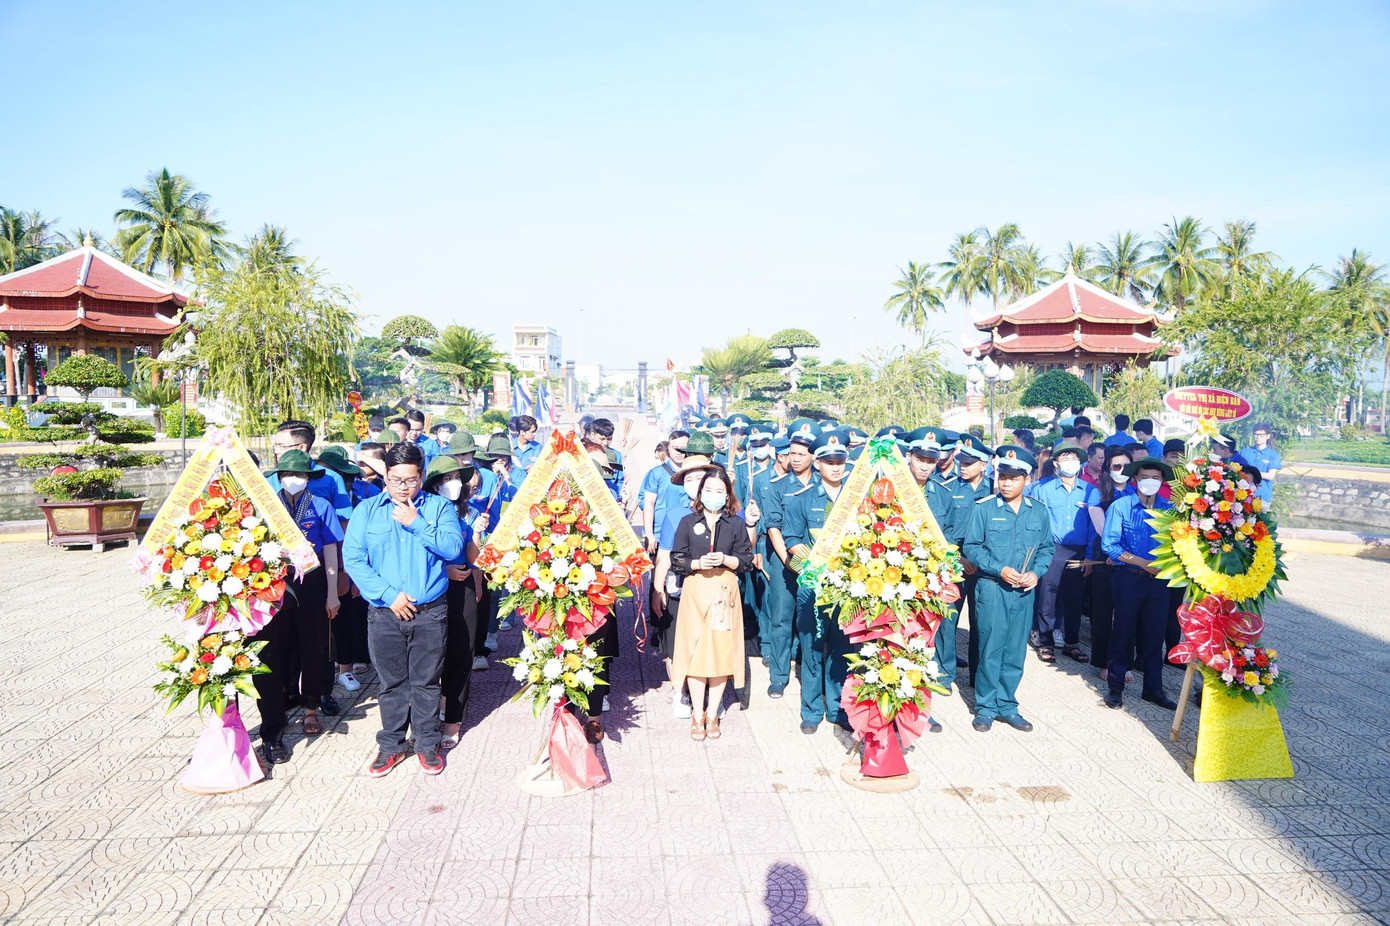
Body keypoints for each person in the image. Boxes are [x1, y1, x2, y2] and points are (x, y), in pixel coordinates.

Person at [343, 442, 465, 777]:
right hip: (385, 613)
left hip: (430, 612)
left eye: (410, 480)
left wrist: (416, 523)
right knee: (391, 683)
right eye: (396, 480)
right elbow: (354, 559)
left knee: (426, 682)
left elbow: (454, 549)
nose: (403, 487)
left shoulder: (438, 508)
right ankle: (391, 746)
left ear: (422, 477)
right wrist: (388, 595)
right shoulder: (367, 510)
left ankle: (427, 744)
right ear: (386, 477)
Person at [253, 451, 343, 763]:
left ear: (309, 478)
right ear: (278, 478)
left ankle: (310, 707)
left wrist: (333, 593)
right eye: (288, 474)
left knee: (313, 647)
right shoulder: (265, 508)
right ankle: (272, 730)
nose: (294, 479)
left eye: (301, 475)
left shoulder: (321, 506)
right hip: (272, 584)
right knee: (271, 653)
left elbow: (331, 550)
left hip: (313, 583)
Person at [963, 445, 1053, 733]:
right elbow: (972, 547)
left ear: (1027, 480)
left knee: (1015, 649)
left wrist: (1036, 573)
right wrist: (998, 568)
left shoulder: (1038, 511)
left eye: (1014, 478)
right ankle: (986, 707)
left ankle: (1007, 705)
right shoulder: (984, 508)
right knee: (991, 647)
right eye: (1002, 476)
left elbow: (1047, 548)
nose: (1006, 482)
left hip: (1023, 592)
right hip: (992, 589)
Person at [670, 467, 757, 741]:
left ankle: (713, 712)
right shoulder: (687, 521)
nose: (713, 495)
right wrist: (696, 563)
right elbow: (677, 558)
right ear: (700, 493)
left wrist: (725, 559)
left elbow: (746, 560)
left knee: (720, 654)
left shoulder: (736, 524)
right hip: (695, 592)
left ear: (728, 494)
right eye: (708, 490)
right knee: (695, 653)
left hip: (723, 592)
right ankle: (697, 713)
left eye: (719, 491)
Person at [783, 429, 853, 734]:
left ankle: (838, 708)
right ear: (817, 462)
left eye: (840, 460)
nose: (835, 466)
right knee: (811, 648)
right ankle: (811, 709)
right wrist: (814, 561)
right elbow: (792, 539)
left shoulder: (857, 500)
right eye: (828, 460)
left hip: (849, 588)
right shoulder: (803, 498)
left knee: (843, 648)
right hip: (813, 586)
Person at [1100, 457, 1178, 711]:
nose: (1150, 482)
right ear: (1135, 480)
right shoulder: (1121, 506)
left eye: (1155, 478)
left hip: (1160, 582)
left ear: (1162, 482)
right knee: (1123, 632)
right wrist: (1141, 562)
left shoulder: (1169, 510)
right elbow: (1109, 545)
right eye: (1145, 477)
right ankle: (1116, 686)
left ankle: (1153, 688)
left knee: (1155, 636)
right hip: (1129, 579)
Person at [651, 435, 721, 718]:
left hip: (714, 590)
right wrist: (658, 590)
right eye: (689, 480)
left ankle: (706, 696)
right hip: (678, 588)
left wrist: (751, 522)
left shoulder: (727, 511)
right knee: (675, 641)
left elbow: (744, 547)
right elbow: (664, 555)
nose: (696, 485)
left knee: (709, 642)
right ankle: (680, 691)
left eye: (701, 478)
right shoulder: (673, 513)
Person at [424, 456, 480, 750]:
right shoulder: (421, 513)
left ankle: (453, 720)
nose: (454, 484)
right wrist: (442, 571)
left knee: (461, 654)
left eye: (458, 477)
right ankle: (429, 713)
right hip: (431, 588)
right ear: (434, 484)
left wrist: (479, 530)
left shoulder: (467, 514)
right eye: (447, 479)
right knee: (431, 657)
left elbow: (472, 558)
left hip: (462, 589)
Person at [763, 421, 820, 700]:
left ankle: (811, 673)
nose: (795, 458)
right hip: (785, 560)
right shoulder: (777, 486)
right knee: (781, 618)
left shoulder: (824, 484)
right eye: (792, 453)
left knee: (813, 619)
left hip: (818, 563)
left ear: (813, 456)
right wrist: (786, 559)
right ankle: (778, 676)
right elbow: (773, 525)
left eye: (801, 453)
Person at [1026, 442, 1098, 664]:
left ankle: (1071, 643)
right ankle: (1045, 641)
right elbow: (1037, 523)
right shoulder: (1042, 489)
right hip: (1052, 549)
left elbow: (1094, 527)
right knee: (1048, 595)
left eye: (1074, 458)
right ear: (1056, 463)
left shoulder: (1089, 490)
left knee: (1075, 599)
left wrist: (1089, 556)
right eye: (1065, 458)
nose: (1070, 463)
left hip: (1079, 552)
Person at [316, 446, 380, 693]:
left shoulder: (367, 494)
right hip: (324, 564)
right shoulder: (315, 497)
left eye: (344, 475)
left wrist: (349, 573)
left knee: (350, 614)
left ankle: (350, 663)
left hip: (353, 564)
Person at [1086, 446, 1135, 681]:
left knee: (1127, 614)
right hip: (1105, 558)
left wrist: (1129, 555)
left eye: (1126, 466)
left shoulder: (1136, 493)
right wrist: (1114, 552)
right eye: (1117, 466)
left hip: (1131, 561)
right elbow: (1101, 528)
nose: (1122, 470)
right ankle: (1103, 662)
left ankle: (1124, 662)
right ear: (1108, 468)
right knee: (1104, 613)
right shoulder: (1098, 493)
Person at [643, 430, 688, 554]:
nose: (679, 452)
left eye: (683, 448)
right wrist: (649, 534)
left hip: (688, 535)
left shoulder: (695, 472)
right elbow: (649, 504)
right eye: (675, 448)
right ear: (668, 448)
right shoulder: (656, 473)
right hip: (660, 534)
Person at [1241, 422, 1281, 506]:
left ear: (1268, 436)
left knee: (1262, 518)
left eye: (1262, 435)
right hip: (1243, 495)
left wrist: (1252, 472)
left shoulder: (1273, 455)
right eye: (1256, 434)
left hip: (1263, 497)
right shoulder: (1244, 452)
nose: (1258, 437)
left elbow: (1270, 476)